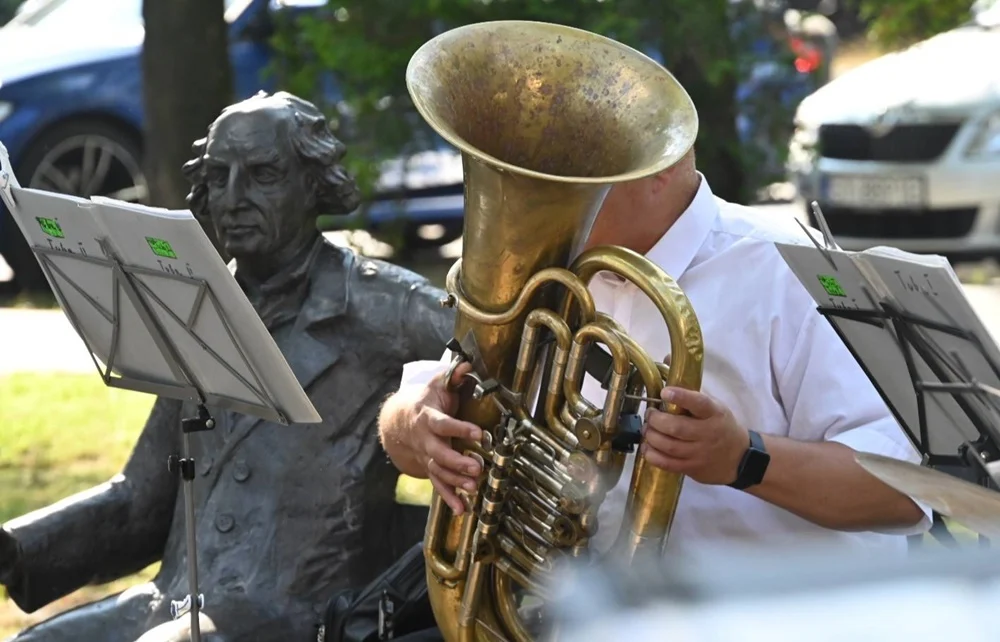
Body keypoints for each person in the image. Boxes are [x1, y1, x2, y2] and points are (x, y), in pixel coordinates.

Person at [0, 91, 454, 642]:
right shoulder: (189, 297)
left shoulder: (388, 305)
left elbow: (499, 369)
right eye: (219, 176)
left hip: (303, 617)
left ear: (313, 183)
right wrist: (15, 548)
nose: (233, 197)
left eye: (262, 174)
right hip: (171, 604)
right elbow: (141, 501)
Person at [378, 148, 931, 570]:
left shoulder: (795, 266)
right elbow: (406, 432)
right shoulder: (544, 269)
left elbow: (903, 494)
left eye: (563, 177)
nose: (537, 195)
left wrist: (744, 459)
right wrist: (414, 422)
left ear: (656, 164)